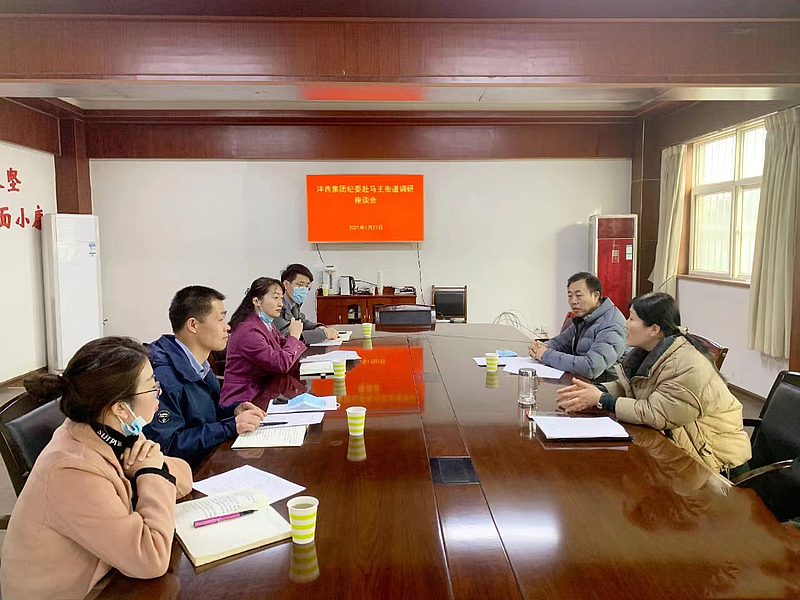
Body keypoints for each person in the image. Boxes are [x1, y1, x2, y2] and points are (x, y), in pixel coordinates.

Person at [0, 337, 193, 600]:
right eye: (152, 386)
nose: (159, 393)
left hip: (109, 571)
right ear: (121, 407)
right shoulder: (71, 469)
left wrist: (151, 467)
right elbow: (151, 558)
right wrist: (150, 472)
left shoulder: (116, 428)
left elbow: (184, 480)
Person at [556, 292, 751, 475]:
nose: (625, 324)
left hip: (712, 462)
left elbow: (655, 413)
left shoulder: (687, 364)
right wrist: (593, 391)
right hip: (676, 444)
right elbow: (627, 386)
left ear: (654, 329)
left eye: (631, 318)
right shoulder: (649, 350)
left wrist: (602, 399)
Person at [144, 286, 265, 466]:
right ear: (193, 325)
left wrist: (233, 411)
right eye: (220, 319)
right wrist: (230, 426)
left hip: (209, 460)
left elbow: (204, 416)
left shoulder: (199, 364)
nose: (227, 327)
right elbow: (167, 446)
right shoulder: (163, 376)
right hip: (187, 472)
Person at [220, 277, 306, 407]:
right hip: (245, 399)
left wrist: (293, 339)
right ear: (256, 301)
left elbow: (280, 345)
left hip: (264, 391)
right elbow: (281, 364)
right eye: (275, 298)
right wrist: (294, 336)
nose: (281, 304)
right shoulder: (248, 330)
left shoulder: (265, 323)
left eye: (281, 298)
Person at [528, 271, 626, 380]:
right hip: (581, 380)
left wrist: (545, 355)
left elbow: (591, 367)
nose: (573, 301)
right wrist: (541, 347)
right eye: (570, 296)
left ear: (596, 296)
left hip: (604, 385)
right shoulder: (585, 317)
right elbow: (560, 342)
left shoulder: (612, 324)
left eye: (579, 296)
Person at [273, 263, 338, 344]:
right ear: (286, 284)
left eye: (307, 286)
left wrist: (318, 327)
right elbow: (287, 337)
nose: (304, 290)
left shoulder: (294, 303)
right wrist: (324, 334)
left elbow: (302, 322)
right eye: (300, 285)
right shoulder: (276, 306)